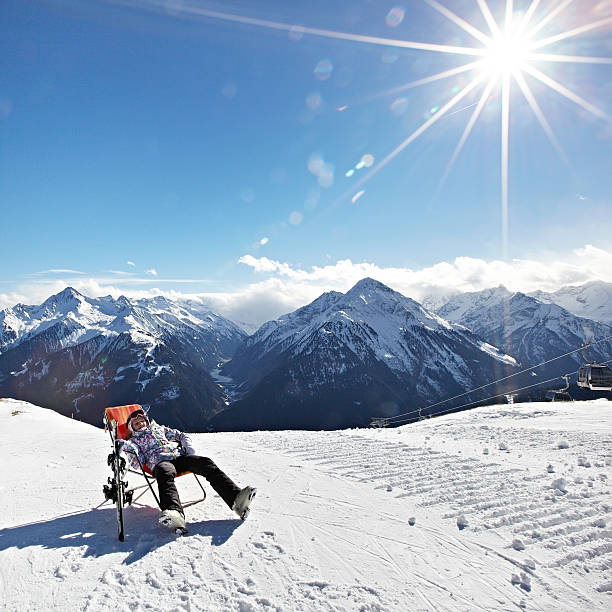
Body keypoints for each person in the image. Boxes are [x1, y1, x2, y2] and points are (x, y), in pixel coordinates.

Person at [118, 407, 256, 531]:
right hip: (161, 462)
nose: (141, 424)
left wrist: (188, 447)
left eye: (142, 421)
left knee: (205, 463)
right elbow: (137, 462)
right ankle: (174, 512)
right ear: (132, 429)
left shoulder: (159, 429)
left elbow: (180, 435)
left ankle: (236, 499)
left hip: (179, 456)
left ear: (147, 422)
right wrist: (126, 448)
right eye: (136, 424)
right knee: (165, 475)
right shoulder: (134, 441)